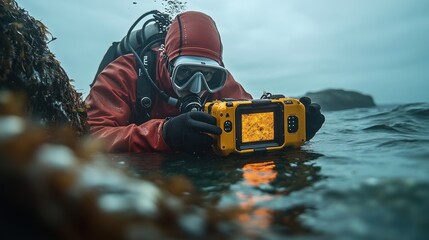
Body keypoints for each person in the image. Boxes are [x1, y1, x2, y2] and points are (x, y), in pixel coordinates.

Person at [85, 11, 325, 154]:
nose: (198, 87)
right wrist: (164, 134)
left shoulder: (222, 85)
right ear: (165, 59)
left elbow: (252, 125)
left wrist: (292, 131)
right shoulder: (124, 73)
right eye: (185, 73)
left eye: (209, 76)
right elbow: (91, 137)